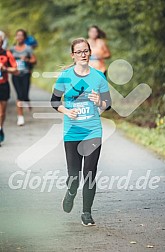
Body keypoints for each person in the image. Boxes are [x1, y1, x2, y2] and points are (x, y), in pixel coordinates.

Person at [51, 38, 111, 226]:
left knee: (90, 173)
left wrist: (98, 102)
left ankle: (86, 213)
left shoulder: (99, 76)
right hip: (72, 132)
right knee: (74, 176)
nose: (83, 54)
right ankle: (71, 192)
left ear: (90, 52)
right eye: (79, 52)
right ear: (73, 55)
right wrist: (67, 111)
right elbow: (54, 102)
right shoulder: (65, 76)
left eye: (86, 51)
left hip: (92, 130)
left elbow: (108, 105)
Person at [10, 29, 37, 126]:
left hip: (25, 74)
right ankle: (20, 117)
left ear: (24, 37)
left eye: (21, 35)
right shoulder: (12, 49)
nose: (19, 37)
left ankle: (27, 100)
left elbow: (34, 60)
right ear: (16, 37)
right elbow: (8, 60)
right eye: (18, 35)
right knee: (19, 95)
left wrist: (26, 59)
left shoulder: (28, 48)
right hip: (16, 74)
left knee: (24, 94)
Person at [0, 34, 17, 145]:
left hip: (3, 85)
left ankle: (0, 128)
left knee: (2, 112)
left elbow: (15, 69)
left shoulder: (7, 54)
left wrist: (5, 68)